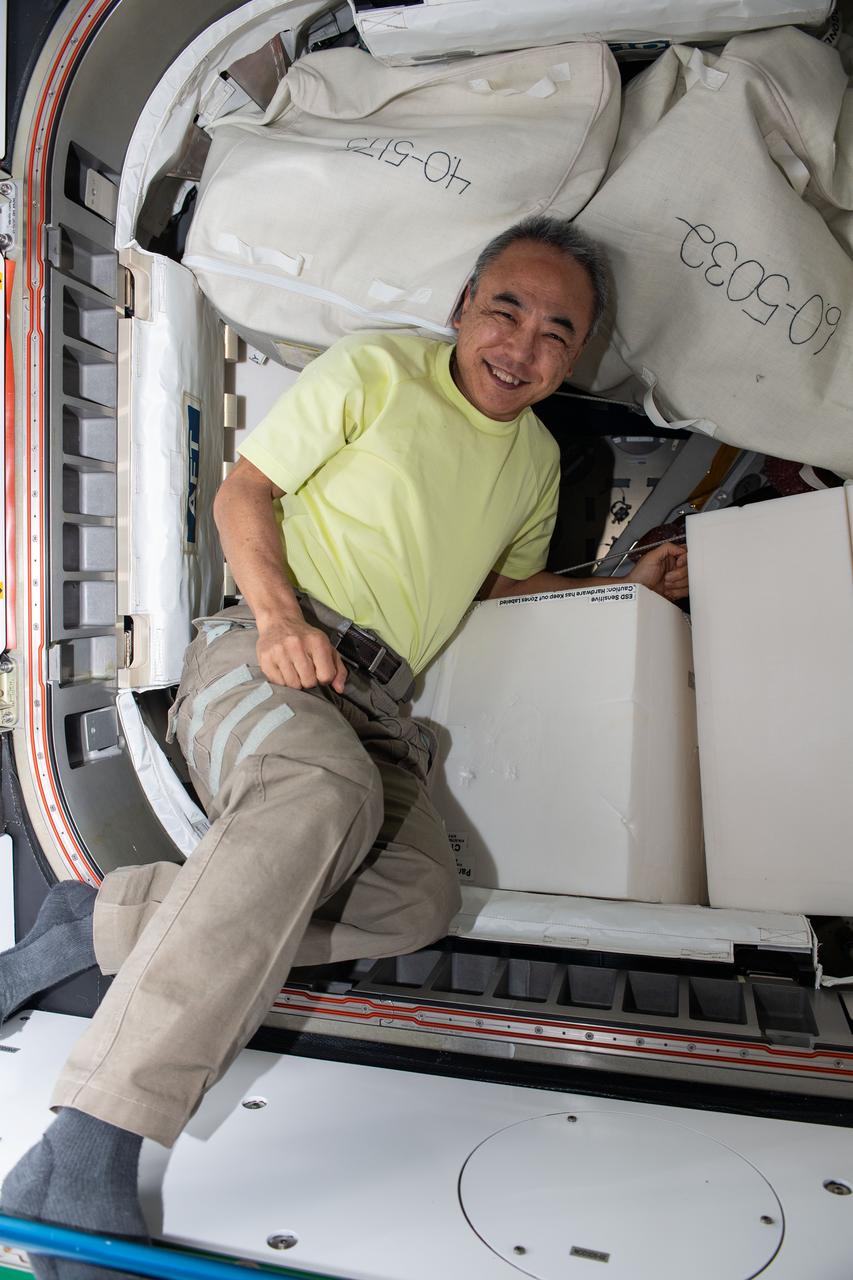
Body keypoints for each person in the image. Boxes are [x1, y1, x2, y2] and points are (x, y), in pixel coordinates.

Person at [0, 215, 687, 1277]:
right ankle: (96, 1139)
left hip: (377, 704)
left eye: (559, 331)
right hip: (261, 648)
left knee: (413, 899)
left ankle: (98, 919)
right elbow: (246, 491)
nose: (523, 343)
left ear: (577, 355)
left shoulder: (540, 461)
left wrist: (620, 584)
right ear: (463, 306)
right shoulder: (378, 369)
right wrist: (278, 620)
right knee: (319, 797)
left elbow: (503, 588)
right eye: (505, 307)